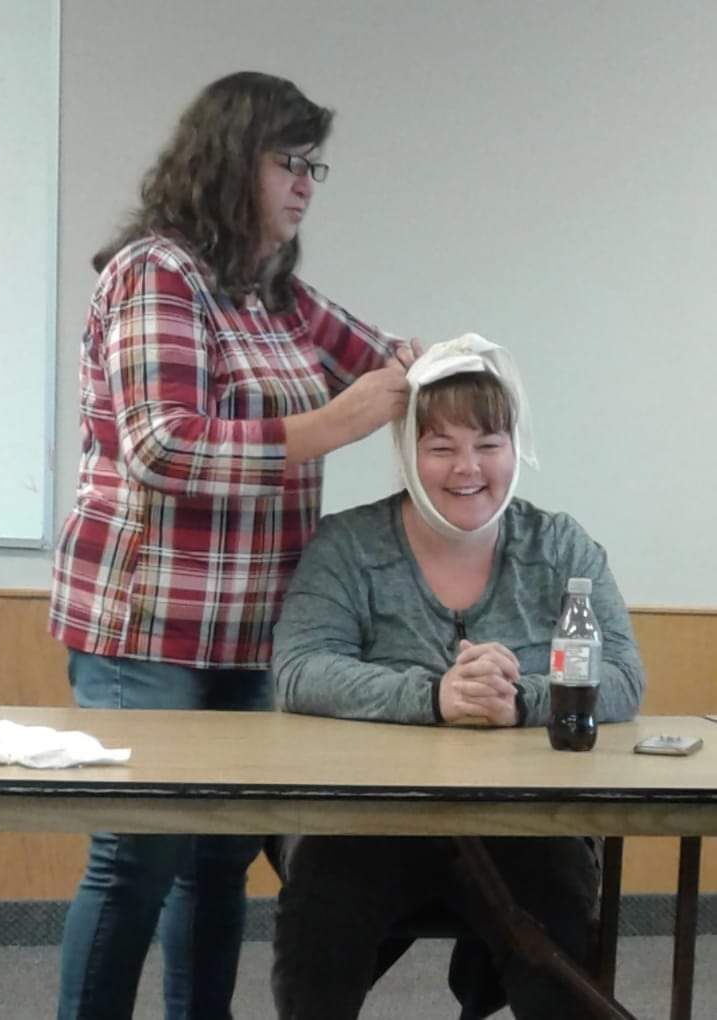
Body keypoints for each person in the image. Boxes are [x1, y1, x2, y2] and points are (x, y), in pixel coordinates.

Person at [48, 71, 419, 1020]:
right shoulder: (154, 272)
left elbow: (391, 367)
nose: (305, 184)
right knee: (137, 861)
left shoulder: (274, 295)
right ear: (226, 161)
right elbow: (161, 445)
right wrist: (330, 426)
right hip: (147, 629)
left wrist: (450, 370)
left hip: (257, 631)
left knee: (216, 866)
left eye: (313, 166)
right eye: (286, 161)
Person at [271, 334, 645, 1020]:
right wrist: (433, 697)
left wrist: (519, 700)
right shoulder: (349, 544)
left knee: (557, 898)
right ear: (407, 454)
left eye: (488, 443)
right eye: (440, 447)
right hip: (368, 818)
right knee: (319, 909)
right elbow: (298, 670)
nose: (466, 468)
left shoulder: (559, 545)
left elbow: (621, 674)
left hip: (522, 820)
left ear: (514, 447)